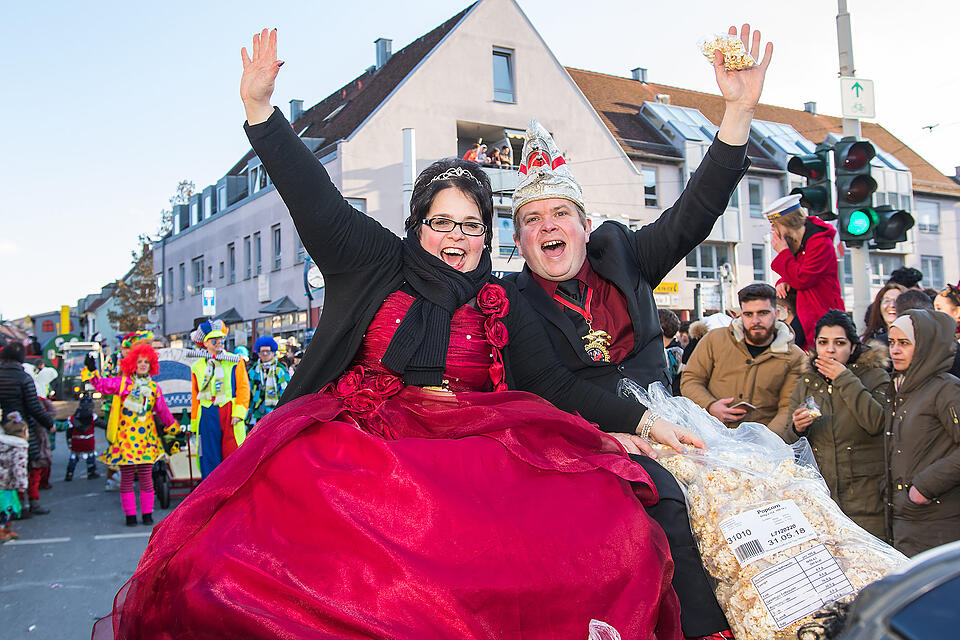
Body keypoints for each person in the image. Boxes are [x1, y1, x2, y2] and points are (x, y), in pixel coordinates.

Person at [92, 28, 712, 640]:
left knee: (593, 530)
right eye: (442, 222)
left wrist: (636, 428)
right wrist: (262, 112)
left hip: (477, 451)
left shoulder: (498, 296)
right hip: (369, 456)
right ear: (416, 226)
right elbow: (313, 198)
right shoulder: (372, 262)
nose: (457, 237)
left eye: (471, 225)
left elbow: (549, 381)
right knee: (295, 586)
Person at [505, 26, 771, 638]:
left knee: (767, 489)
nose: (550, 227)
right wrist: (631, 431)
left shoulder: (622, 255)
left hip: (683, 427)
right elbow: (548, 383)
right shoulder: (513, 297)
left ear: (584, 223)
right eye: (534, 221)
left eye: (560, 215)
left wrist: (737, 113)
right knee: (667, 506)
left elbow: (692, 215)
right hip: (585, 441)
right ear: (521, 242)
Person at [784, 310, 889, 538]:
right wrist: (797, 428)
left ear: (852, 347)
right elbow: (787, 440)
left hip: (866, 500)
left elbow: (877, 424)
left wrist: (843, 378)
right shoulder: (807, 382)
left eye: (839, 343)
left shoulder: (875, 377)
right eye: (823, 342)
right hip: (823, 500)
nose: (830, 349)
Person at [682, 283, 805, 438]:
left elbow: (788, 407)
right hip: (711, 437)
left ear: (777, 313)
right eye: (748, 314)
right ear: (741, 315)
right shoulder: (714, 340)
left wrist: (766, 442)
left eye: (763, 313)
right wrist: (710, 405)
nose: (755, 320)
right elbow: (691, 379)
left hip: (764, 447)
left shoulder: (795, 357)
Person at [885, 309, 960, 556]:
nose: (894, 350)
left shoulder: (946, 389)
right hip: (906, 522)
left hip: (938, 522)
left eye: (904, 343)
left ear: (926, 347)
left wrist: (925, 487)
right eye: (892, 342)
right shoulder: (901, 388)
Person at [92, 343, 178, 526]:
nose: (143, 365)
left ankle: (147, 514)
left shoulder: (154, 388)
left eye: (146, 362)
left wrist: (175, 430)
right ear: (132, 363)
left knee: (147, 478)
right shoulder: (122, 383)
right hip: (126, 440)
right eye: (139, 361)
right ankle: (130, 515)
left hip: (146, 438)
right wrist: (92, 371)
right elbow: (101, 386)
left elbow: (163, 412)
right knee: (127, 478)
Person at [767, 193, 845, 348]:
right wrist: (783, 281)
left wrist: (783, 253)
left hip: (821, 311)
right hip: (805, 311)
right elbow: (797, 271)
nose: (773, 230)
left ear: (787, 224)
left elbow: (803, 278)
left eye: (775, 225)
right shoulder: (803, 240)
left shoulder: (819, 242)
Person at [189, 320, 250, 478]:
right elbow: (195, 395)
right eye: (214, 340)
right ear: (205, 343)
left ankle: (234, 489)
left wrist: (239, 413)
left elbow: (243, 387)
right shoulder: (197, 366)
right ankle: (211, 492)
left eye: (221, 340)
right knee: (208, 455)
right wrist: (194, 423)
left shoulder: (236, 361)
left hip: (229, 410)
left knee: (233, 452)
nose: (219, 343)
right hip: (207, 411)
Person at [0, 342, 54, 516]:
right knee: (30, 466)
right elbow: (34, 407)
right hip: (22, 429)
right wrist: (49, 423)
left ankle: (14, 506)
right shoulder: (24, 378)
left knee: (7, 469)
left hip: (2, 428)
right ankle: (32, 503)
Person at [246, 335, 290, 429]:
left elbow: (286, 391)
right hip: (255, 414)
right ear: (258, 353)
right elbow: (247, 390)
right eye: (262, 351)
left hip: (275, 413)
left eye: (268, 351)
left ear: (273, 352)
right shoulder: (254, 370)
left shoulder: (280, 369)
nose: (265, 354)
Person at [0, 411, 28, 541]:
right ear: (23, 433)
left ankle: (5, 530)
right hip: (7, 483)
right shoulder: (19, 447)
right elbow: (19, 467)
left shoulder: (3, 443)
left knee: (4, 506)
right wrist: (22, 484)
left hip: (3, 481)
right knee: (8, 507)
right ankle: (3, 531)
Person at [64, 392, 101, 481]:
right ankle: (91, 472)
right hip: (89, 440)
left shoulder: (72, 418)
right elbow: (103, 425)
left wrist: (69, 441)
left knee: (74, 456)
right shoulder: (93, 417)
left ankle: (69, 473)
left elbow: (69, 432)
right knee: (90, 455)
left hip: (76, 440)